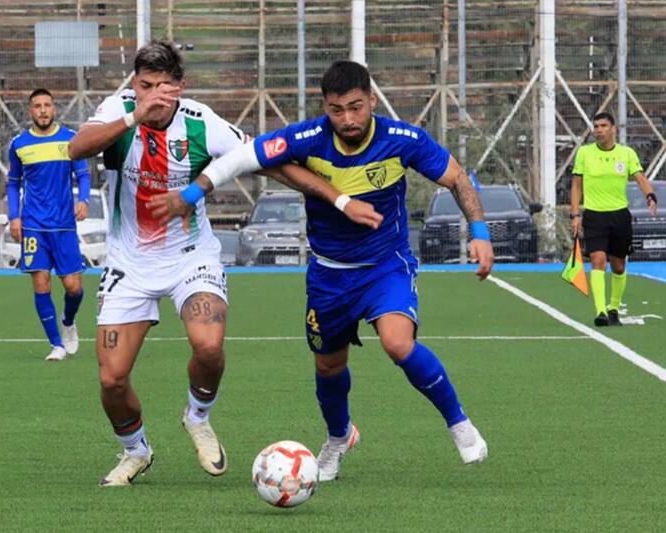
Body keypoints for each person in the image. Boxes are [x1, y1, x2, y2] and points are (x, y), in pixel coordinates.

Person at [149, 59, 495, 481]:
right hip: (329, 275)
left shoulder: (404, 140)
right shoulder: (306, 138)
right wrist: (189, 193)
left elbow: (457, 178)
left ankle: (459, 423)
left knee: (397, 343)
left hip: (386, 266)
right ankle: (338, 438)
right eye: (336, 109)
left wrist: (479, 231)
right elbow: (238, 159)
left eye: (355, 107)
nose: (347, 119)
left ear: (371, 99)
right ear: (324, 107)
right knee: (329, 367)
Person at [67, 41, 381, 487]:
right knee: (112, 379)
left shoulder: (200, 122)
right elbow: (76, 148)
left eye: (162, 86)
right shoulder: (119, 109)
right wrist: (135, 114)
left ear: (180, 87)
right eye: (144, 85)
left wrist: (337, 195)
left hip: (191, 257)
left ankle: (197, 417)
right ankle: (136, 452)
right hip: (128, 263)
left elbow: (265, 160)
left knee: (210, 347)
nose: (153, 94)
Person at [6, 88, 90, 362]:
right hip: (33, 226)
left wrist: (84, 200)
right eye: (37, 106)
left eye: (47, 105)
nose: (42, 110)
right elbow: (13, 183)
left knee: (73, 287)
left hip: (64, 225)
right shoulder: (19, 144)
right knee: (41, 285)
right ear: (30, 111)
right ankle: (56, 345)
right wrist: (14, 216)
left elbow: (83, 175)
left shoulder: (70, 140)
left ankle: (68, 321)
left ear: (55, 109)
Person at [570, 112, 658, 326]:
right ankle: (600, 311)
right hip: (594, 215)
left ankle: (613, 309)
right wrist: (575, 214)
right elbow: (577, 185)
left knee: (618, 266)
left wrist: (650, 195)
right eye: (596, 126)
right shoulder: (585, 153)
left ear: (613, 129)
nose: (598, 130)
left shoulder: (626, 153)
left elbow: (639, 176)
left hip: (619, 216)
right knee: (598, 259)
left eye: (603, 126)